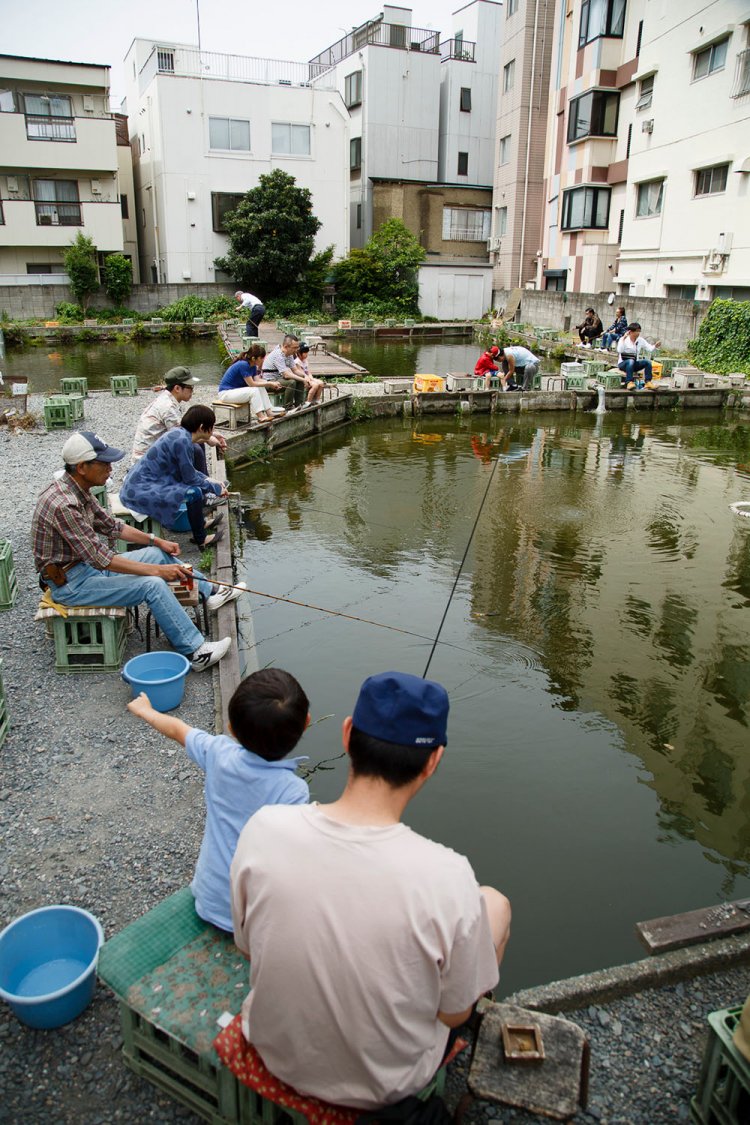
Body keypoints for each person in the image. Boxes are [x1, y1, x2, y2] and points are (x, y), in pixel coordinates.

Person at [230, 670, 511, 1111]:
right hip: (386, 1085)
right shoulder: (449, 876)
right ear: (433, 761)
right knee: (495, 904)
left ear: (347, 735)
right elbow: (453, 1014)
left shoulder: (264, 827)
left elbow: (246, 947)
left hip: (273, 1050)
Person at [31, 431, 240, 672]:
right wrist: (159, 572)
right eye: (104, 463)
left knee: (156, 554)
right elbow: (101, 559)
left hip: (85, 568)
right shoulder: (64, 505)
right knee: (152, 584)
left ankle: (209, 592)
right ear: (82, 467)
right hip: (71, 584)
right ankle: (196, 652)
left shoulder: (79, 490)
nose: (110, 468)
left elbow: (112, 526)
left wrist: (156, 541)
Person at [127, 668, 311, 932]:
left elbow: (177, 729)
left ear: (231, 729)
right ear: (306, 723)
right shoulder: (293, 790)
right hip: (252, 917)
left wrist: (146, 711)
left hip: (208, 897)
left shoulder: (219, 753)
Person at [120, 406, 227, 549]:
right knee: (194, 492)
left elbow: (189, 471)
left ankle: (200, 524)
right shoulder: (183, 441)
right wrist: (215, 488)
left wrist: (212, 481)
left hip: (143, 483)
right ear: (202, 427)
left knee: (195, 488)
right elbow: (190, 479)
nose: (213, 430)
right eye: (212, 427)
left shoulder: (180, 434)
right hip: (140, 490)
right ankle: (201, 539)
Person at [131, 366, 227, 472]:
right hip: (148, 463)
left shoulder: (168, 399)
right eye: (190, 387)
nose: (192, 391)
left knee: (198, 443)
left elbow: (186, 431)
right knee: (196, 449)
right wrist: (209, 439)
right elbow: (181, 439)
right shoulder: (168, 407)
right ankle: (201, 481)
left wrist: (211, 433)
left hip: (156, 451)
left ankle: (202, 478)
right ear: (177, 388)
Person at [218, 346, 277, 425]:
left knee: (260, 387)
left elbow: (258, 380)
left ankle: (269, 412)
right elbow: (252, 384)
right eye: (261, 358)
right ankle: (261, 417)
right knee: (254, 390)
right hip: (226, 394)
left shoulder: (253, 365)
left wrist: (272, 382)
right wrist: (269, 384)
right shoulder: (243, 365)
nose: (263, 360)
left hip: (234, 391)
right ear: (254, 358)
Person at [261, 334, 307, 410]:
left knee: (300, 378)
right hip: (269, 381)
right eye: (294, 348)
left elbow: (295, 370)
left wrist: (305, 377)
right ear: (286, 346)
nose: (297, 350)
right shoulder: (278, 355)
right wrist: (303, 379)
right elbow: (286, 375)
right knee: (291, 382)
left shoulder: (289, 354)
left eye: (297, 347)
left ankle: (299, 404)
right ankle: (288, 407)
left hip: (279, 379)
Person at [617, 323, 660, 388]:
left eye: (639, 331)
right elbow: (619, 350)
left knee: (647, 362)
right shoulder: (623, 339)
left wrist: (655, 346)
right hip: (623, 364)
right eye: (637, 331)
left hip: (634, 364)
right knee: (630, 361)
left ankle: (648, 382)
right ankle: (629, 382)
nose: (638, 333)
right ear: (630, 332)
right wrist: (623, 339)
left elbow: (649, 348)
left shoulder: (640, 340)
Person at [292, 341, 324, 406]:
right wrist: (310, 380)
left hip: (308, 377)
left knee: (321, 383)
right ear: (299, 353)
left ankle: (316, 400)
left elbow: (308, 372)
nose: (306, 354)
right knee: (315, 385)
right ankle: (308, 401)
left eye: (307, 353)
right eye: (305, 353)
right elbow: (302, 373)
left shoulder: (305, 361)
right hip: (303, 379)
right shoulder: (297, 362)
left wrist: (311, 378)